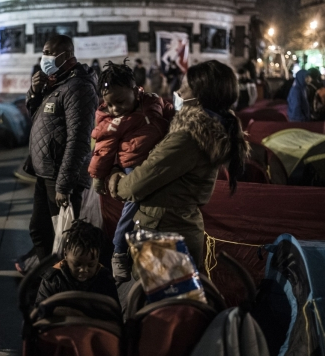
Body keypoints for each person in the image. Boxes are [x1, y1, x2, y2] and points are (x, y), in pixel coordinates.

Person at [108, 60, 249, 267]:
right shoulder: (208, 129)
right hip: (174, 230)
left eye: (185, 86)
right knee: (172, 298)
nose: (178, 91)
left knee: (162, 299)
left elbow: (138, 183)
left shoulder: (188, 138)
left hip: (164, 238)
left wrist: (115, 180)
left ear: (200, 95)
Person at [89, 60, 172, 282]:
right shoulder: (111, 122)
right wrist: (98, 177)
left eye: (120, 101)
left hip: (159, 160)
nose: (116, 109)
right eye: (110, 104)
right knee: (134, 202)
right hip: (133, 164)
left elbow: (169, 111)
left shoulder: (153, 101)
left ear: (136, 91)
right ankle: (119, 251)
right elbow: (102, 151)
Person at [26, 35, 98, 262]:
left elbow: (78, 139)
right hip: (45, 172)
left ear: (66, 55)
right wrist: (35, 93)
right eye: (44, 52)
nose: (44, 58)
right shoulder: (57, 81)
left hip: (60, 176)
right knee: (40, 231)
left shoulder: (78, 87)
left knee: (64, 239)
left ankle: (64, 288)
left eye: (48, 52)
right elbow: (41, 119)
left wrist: (64, 185)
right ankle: (50, 282)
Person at [35, 220, 119, 307]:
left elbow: (114, 313)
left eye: (91, 265)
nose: (83, 269)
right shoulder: (53, 280)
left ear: (98, 259)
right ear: (65, 254)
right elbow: (40, 314)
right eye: (77, 264)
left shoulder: (105, 279)